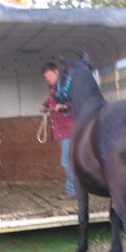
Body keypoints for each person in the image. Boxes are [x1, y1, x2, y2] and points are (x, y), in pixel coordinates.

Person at [40, 62, 76, 200]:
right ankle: (73, 189)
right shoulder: (53, 88)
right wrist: (44, 106)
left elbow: (75, 102)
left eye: (49, 75)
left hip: (69, 130)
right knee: (68, 161)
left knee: (67, 161)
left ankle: (72, 190)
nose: (48, 78)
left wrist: (65, 106)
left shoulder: (66, 86)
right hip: (61, 131)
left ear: (56, 72)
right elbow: (51, 102)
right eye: (46, 76)